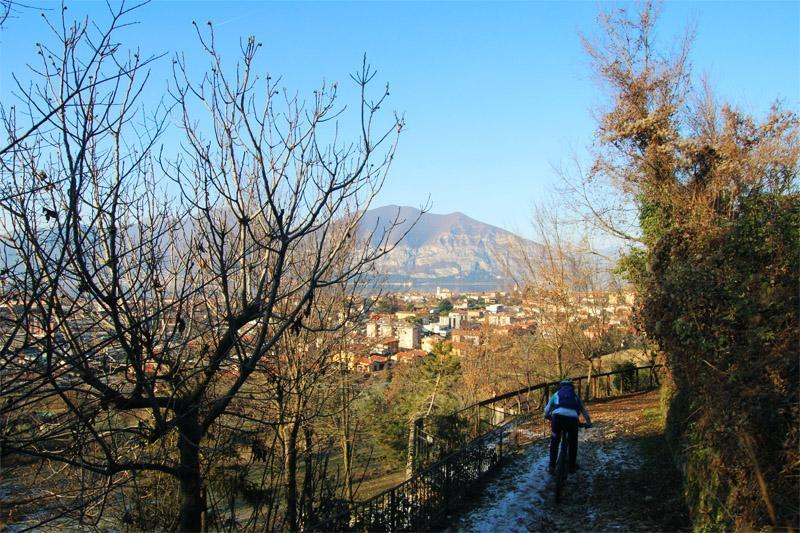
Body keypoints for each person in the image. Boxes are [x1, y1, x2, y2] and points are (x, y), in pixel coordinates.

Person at [544, 378, 592, 474]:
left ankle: (552, 466)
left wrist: (547, 416)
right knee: (573, 443)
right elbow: (584, 413)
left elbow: (547, 409)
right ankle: (572, 467)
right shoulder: (575, 396)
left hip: (557, 418)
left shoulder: (556, 394)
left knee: (554, 442)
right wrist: (588, 423)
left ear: (560, 386)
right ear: (571, 387)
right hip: (572, 420)